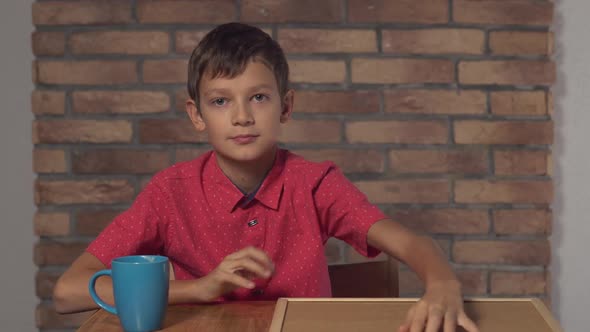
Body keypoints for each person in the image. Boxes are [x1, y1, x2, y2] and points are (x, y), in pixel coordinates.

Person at [53, 22, 478, 332]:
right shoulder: (170, 192)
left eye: (258, 97)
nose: (241, 116)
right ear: (196, 115)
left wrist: (441, 281)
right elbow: (68, 292)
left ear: (286, 107)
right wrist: (200, 288)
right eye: (221, 101)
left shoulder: (314, 184)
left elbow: (407, 242)